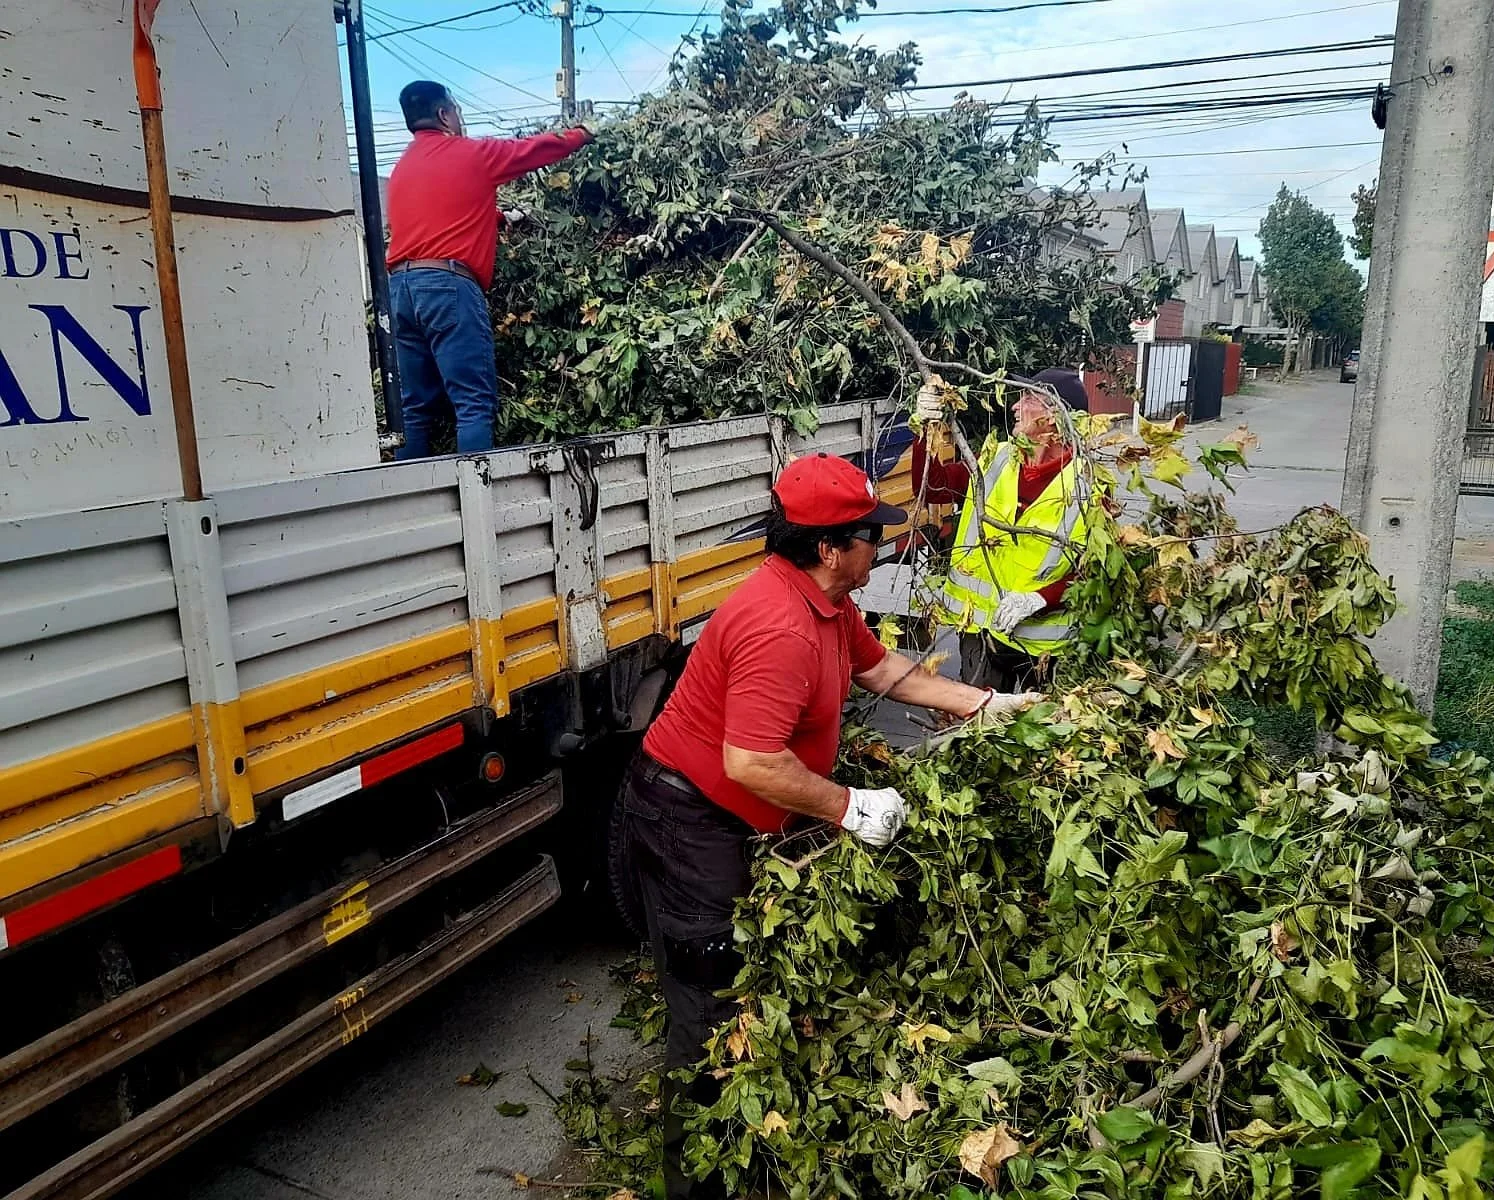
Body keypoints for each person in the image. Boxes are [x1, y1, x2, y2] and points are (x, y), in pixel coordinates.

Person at [618, 453, 1041, 1200]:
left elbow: (888, 675)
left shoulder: (829, 604)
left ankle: (754, 1149)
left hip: (724, 817)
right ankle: (696, 1181)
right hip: (687, 823)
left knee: (749, 985)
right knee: (710, 1018)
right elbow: (749, 760)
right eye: (867, 537)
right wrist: (850, 806)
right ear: (827, 548)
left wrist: (984, 705)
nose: (879, 547)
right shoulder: (778, 624)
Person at [384, 80, 593, 458]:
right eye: (458, 111)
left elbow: (439, 213)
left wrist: (496, 217)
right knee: (473, 404)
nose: (461, 119)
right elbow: (532, 150)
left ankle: (411, 508)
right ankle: (476, 510)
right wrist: (581, 134)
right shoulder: (471, 154)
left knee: (413, 410)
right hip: (446, 288)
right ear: (444, 115)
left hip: (399, 290)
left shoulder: (402, 169)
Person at [912, 368, 1090, 692]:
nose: (1015, 407)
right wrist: (924, 429)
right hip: (982, 636)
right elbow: (933, 489)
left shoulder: (1088, 483)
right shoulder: (998, 459)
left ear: (1053, 416)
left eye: (1027, 399)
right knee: (981, 731)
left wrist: (1040, 598)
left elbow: (1095, 570)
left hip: (1044, 649)